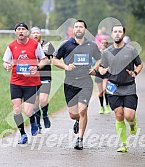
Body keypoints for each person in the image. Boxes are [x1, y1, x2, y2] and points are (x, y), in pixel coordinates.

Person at [52, 20, 101, 150]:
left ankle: (80, 139)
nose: (78, 29)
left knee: (83, 110)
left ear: (85, 30)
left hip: (85, 82)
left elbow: (100, 58)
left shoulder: (91, 45)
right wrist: (66, 66)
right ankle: (78, 120)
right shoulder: (66, 45)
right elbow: (54, 60)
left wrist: (94, 68)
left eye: (81, 27)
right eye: (76, 27)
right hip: (70, 83)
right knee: (73, 114)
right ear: (73, 30)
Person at [99, 24, 143, 152]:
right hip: (113, 87)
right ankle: (124, 144)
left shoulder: (131, 50)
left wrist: (135, 72)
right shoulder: (107, 52)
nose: (117, 34)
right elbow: (102, 67)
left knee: (129, 116)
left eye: (120, 32)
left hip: (128, 86)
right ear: (112, 34)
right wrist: (102, 70)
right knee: (119, 115)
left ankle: (133, 123)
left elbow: (139, 65)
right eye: (115, 32)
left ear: (123, 34)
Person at [2, 22, 48, 144]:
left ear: (27, 32)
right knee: (17, 110)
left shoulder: (34, 45)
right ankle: (23, 134)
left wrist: (37, 66)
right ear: (15, 32)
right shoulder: (11, 46)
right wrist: (6, 65)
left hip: (31, 83)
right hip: (16, 82)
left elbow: (44, 60)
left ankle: (33, 122)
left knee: (28, 111)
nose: (21, 31)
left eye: (23, 29)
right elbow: (5, 61)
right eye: (18, 29)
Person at [30, 26, 55, 133]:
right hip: (32, 77)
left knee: (43, 100)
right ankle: (38, 123)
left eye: (37, 33)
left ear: (41, 34)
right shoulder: (28, 46)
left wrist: (48, 61)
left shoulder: (47, 45)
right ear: (30, 35)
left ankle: (45, 115)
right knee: (35, 103)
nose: (35, 35)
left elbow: (54, 59)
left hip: (45, 76)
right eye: (33, 33)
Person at [95, 39, 110, 114]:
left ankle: (107, 105)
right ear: (100, 44)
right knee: (100, 92)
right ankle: (101, 107)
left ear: (107, 45)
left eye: (105, 43)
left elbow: (111, 63)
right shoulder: (97, 53)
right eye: (102, 43)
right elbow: (94, 64)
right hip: (98, 74)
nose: (103, 44)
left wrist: (106, 69)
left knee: (105, 90)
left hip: (106, 74)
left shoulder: (109, 53)